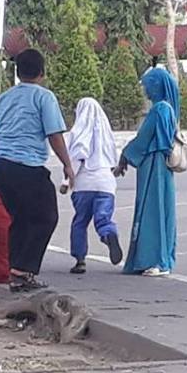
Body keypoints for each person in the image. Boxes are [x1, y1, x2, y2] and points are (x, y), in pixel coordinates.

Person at [0, 49, 75, 292]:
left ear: (17, 73)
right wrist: (67, 165)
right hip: (28, 165)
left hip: (3, 164)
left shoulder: (3, 98)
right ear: (42, 72)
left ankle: (15, 271)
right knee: (46, 217)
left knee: (18, 219)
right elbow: (54, 134)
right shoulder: (44, 97)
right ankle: (22, 268)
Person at [114, 68, 178, 277]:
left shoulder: (159, 110)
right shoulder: (168, 109)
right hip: (159, 166)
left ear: (156, 86)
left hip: (153, 166)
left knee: (153, 211)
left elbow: (144, 138)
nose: (144, 89)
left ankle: (155, 259)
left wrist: (124, 157)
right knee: (162, 210)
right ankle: (160, 258)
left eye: (147, 84)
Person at [66, 98, 123, 274]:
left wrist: (67, 181)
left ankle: (80, 260)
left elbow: (76, 158)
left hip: (84, 183)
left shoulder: (78, 132)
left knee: (80, 222)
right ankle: (108, 234)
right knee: (103, 217)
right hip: (105, 182)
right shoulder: (107, 133)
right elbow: (114, 159)